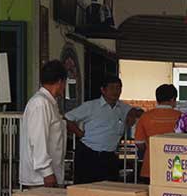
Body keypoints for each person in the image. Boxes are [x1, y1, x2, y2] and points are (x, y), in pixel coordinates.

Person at [65, 75, 142, 184]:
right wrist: (79, 133)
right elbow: (67, 118)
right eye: (112, 88)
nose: (116, 91)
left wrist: (132, 113)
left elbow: (140, 113)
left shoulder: (123, 107)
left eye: (118, 88)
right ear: (103, 90)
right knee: (84, 188)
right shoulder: (91, 106)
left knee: (108, 188)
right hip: (88, 154)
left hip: (109, 156)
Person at [19, 60, 67, 188]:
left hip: (49, 176)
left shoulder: (48, 102)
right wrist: (47, 172)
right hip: (41, 179)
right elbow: (38, 140)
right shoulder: (40, 103)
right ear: (60, 82)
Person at [134, 84, 181, 183]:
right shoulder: (181, 117)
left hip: (151, 166)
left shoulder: (145, 116)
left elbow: (139, 143)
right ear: (173, 99)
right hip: (175, 168)